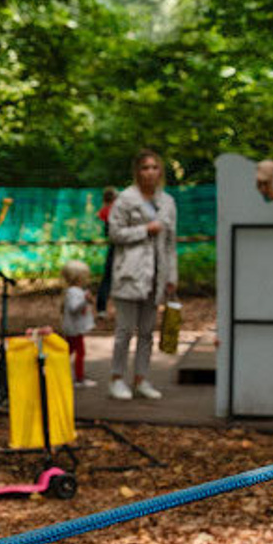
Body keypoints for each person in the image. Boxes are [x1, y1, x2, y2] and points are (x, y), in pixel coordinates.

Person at [107, 149, 177, 401]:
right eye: (145, 167)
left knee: (147, 331)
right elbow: (114, 233)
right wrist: (145, 230)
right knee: (125, 330)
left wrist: (172, 277)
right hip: (130, 272)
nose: (150, 172)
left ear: (161, 171)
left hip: (157, 276)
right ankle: (116, 379)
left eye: (154, 167)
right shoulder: (125, 199)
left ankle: (141, 379)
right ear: (137, 171)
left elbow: (170, 243)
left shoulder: (167, 202)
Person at [60, 259, 97, 388]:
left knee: (68, 351)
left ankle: (60, 371)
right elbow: (74, 308)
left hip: (75, 328)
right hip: (74, 329)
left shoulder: (76, 291)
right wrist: (85, 301)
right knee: (80, 353)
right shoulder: (73, 292)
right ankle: (79, 378)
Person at [94, 186, 117, 316]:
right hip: (118, 247)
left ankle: (101, 308)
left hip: (113, 246)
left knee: (107, 278)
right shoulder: (115, 209)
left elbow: (100, 215)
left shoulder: (105, 210)